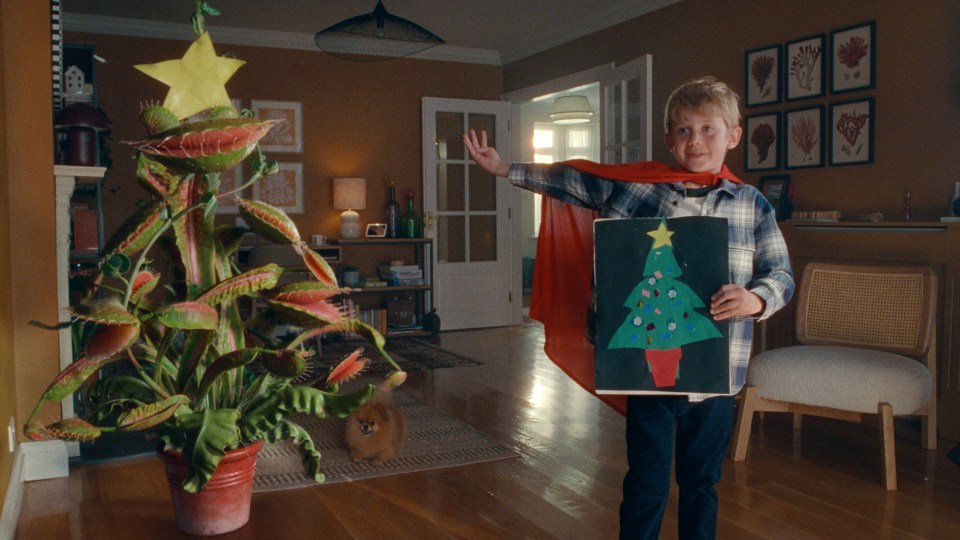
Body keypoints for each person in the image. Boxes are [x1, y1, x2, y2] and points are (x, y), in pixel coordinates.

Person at [463, 76, 794, 540]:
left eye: (708, 129)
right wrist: (506, 170)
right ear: (668, 139)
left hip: (718, 373)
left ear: (733, 136)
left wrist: (757, 298)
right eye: (683, 130)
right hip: (646, 369)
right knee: (646, 478)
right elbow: (571, 179)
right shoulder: (635, 191)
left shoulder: (752, 205)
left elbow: (780, 274)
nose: (695, 140)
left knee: (701, 481)